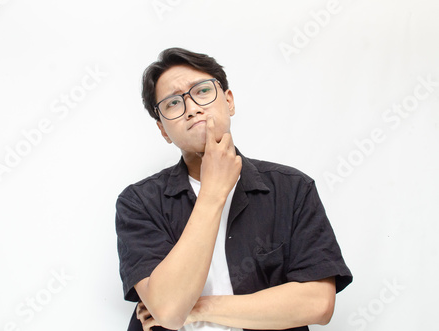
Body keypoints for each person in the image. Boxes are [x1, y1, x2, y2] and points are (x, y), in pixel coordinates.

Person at [115, 47, 352, 331]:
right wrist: (213, 192)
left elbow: (318, 304)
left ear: (229, 101)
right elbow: (167, 307)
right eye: (173, 104)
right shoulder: (139, 202)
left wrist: (197, 308)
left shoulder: (292, 188)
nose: (192, 108)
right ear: (163, 130)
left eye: (202, 91)